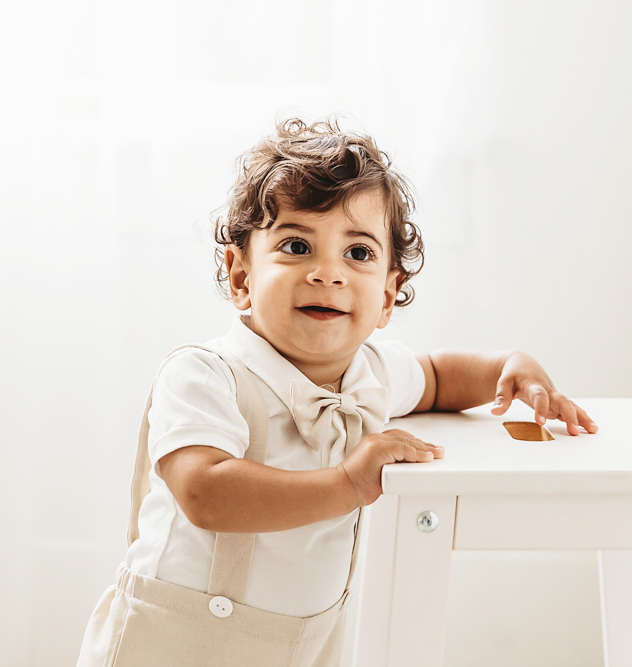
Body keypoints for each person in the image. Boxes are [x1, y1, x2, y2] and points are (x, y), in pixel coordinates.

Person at [77, 117, 597, 667]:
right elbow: (206, 492)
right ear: (241, 277)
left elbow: (440, 378)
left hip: (302, 644)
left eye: (360, 254)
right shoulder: (205, 375)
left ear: (389, 295)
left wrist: (511, 368)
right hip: (172, 642)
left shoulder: (371, 373)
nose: (328, 272)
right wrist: (347, 482)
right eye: (297, 245)